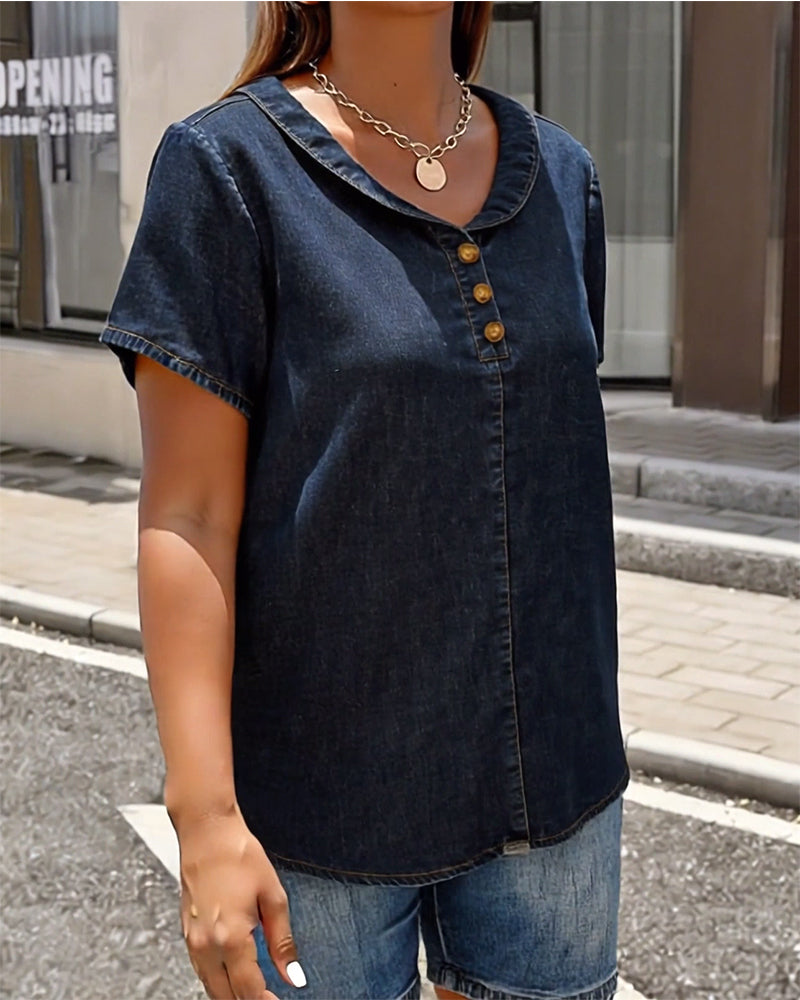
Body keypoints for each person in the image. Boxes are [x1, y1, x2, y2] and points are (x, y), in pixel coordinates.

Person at [98, 2, 630, 999]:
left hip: (554, 793)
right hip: (316, 812)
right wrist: (204, 817)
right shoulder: (227, 172)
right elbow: (187, 516)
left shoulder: (563, 177)